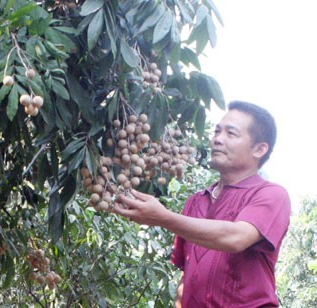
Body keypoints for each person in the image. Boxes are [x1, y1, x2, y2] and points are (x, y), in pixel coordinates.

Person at [113, 101, 291, 307]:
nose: (217, 139)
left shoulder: (271, 195)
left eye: (231, 134)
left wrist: (163, 218)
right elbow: (187, 276)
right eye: (217, 131)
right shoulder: (196, 201)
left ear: (259, 149)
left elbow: (237, 238)